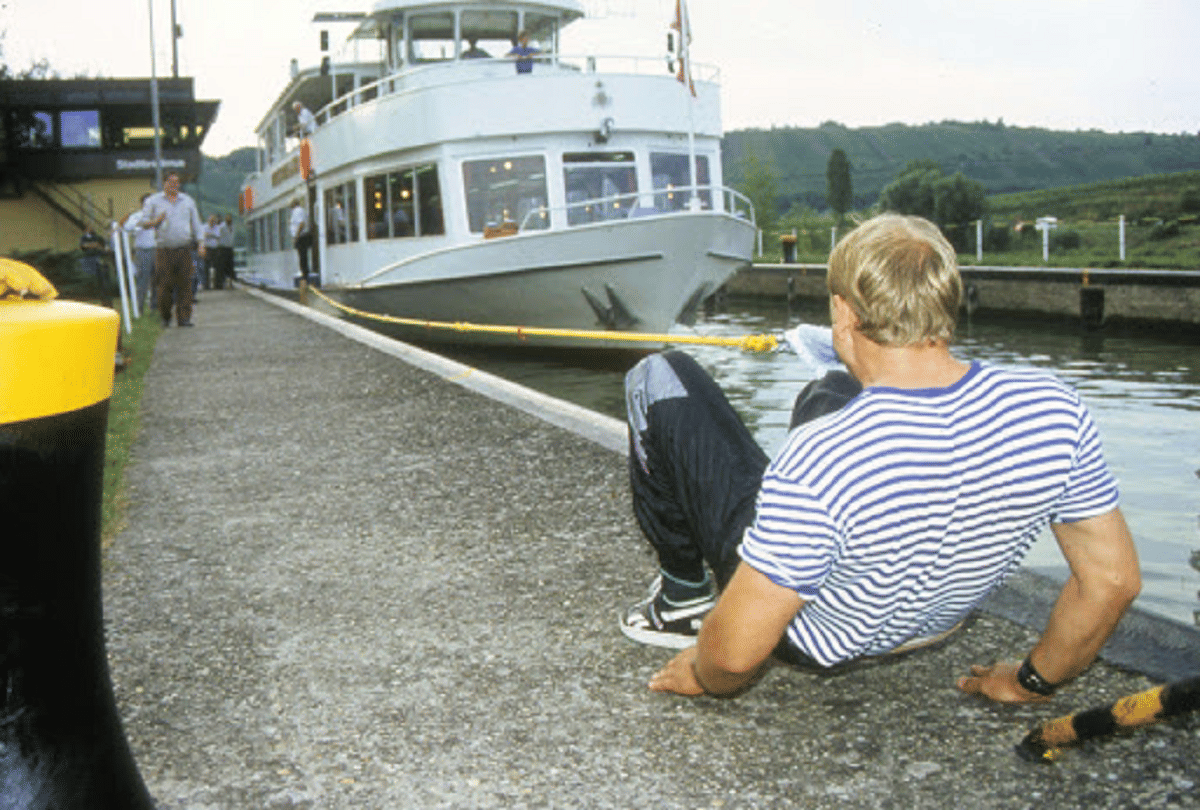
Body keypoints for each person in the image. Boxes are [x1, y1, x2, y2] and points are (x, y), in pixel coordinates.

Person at [620, 213, 1141, 704]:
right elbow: (1112, 582)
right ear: (946, 300)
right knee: (830, 388)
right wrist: (1032, 682)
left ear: (844, 312)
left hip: (816, 641)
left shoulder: (823, 454)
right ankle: (801, 536)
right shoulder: (1055, 409)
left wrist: (702, 673)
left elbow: (734, 657)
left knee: (659, 375)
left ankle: (683, 599)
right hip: (938, 624)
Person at [141, 172, 205, 327]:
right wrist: (156, 221)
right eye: (171, 182)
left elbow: (197, 224)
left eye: (177, 182)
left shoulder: (187, 201)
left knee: (185, 284)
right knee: (164, 284)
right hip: (164, 249)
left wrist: (201, 243)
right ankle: (165, 316)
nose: (174, 185)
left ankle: (184, 318)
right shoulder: (153, 201)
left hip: (184, 248)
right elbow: (143, 222)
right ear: (164, 183)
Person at [122, 194, 158, 312]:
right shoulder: (137, 216)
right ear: (142, 204)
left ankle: (155, 307)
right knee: (143, 280)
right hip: (143, 250)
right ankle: (139, 308)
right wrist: (141, 224)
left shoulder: (158, 216)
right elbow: (128, 227)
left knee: (158, 280)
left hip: (158, 250)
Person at [79, 225, 107, 298]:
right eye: (88, 228)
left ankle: (102, 292)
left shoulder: (97, 237)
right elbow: (83, 246)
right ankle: (93, 292)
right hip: (89, 259)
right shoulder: (84, 238)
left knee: (101, 276)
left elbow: (101, 246)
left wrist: (94, 245)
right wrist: (93, 245)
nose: (90, 229)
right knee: (91, 276)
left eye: (91, 228)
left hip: (97, 258)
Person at [289, 197, 312, 284]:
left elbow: (301, 224)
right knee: (302, 256)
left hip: (301, 237)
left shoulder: (297, 211)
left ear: (294, 204)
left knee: (302, 256)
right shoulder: (298, 211)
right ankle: (304, 273)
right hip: (301, 236)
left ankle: (305, 275)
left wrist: (296, 236)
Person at [202, 214, 221, 290]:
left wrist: (209, 235)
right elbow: (203, 235)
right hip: (207, 249)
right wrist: (212, 235)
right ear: (208, 221)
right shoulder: (204, 227)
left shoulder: (218, 228)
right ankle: (206, 285)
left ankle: (217, 285)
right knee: (206, 267)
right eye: (211, 220)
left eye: (213, 221)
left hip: (215, 249)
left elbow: (218, 236)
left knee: (217, 267)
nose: (212, 222)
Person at [216, 213, 236, 289]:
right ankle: (222, 283)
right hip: (223, 248)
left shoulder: (233, 226)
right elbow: (217, 235)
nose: (229, 220)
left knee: (231, 266)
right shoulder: (222, 226)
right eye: (227, 218)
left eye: (230, 218)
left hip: (230, 248)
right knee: (222, 266)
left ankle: (231, 283)